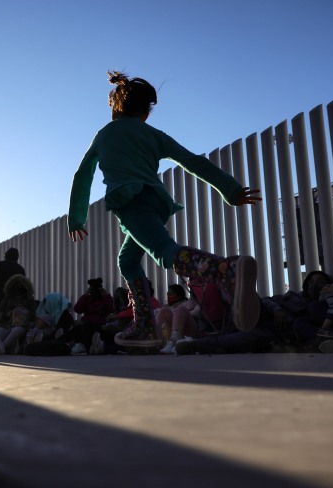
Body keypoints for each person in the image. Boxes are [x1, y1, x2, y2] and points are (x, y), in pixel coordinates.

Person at [67, 70, 262, 348]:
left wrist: (76, 217)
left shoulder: (106, 133)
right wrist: (230, 189)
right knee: (128, 261)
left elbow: (83, 174)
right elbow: (192, 161)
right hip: (156, 203)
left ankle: (224, 269)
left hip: (131, 201)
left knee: (163, 251)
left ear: (116, 109)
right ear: (146, 114)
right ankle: (145, 326)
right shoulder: (153, 134)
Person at [177, 270, 333, 355]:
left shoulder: (320, 307)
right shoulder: (292, 296)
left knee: (238, 339)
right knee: (252, 300)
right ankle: (235, 287)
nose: (315, 284)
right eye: (312, 281)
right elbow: (267, 300)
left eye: (320, 282)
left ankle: (196, 346)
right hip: (263, 313)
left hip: (273, 332)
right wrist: (277, 310)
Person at [0, 274, 37, 355]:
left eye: (21, 285)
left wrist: (25, 314)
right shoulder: (7, 299)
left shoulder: (28, 299)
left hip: (22, 325)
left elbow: (34, 315)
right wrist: (7, 314)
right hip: (6, 324)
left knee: (16, 331)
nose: (18, 287)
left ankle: (3, 347)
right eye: (15, 284)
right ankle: (2, 348)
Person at [155, 283, 198, 354]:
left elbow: (197, 312)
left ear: (179, 295)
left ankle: (174, 341)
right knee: (164, 310)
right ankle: (157, 342)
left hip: (189, 331)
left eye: (171, 294)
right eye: (167, 294)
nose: (168, 296)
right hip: (171, 331)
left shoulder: (187, 304)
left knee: (180, 309)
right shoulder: (167, 307)